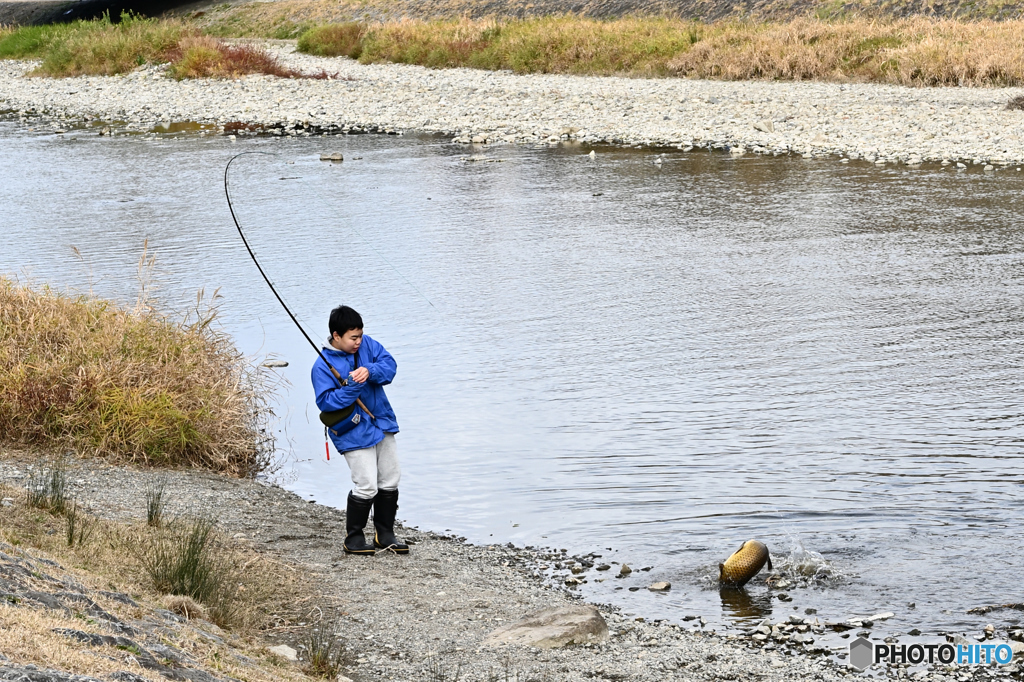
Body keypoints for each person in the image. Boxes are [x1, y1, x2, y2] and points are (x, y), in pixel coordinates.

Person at [311, 305, 408, 555]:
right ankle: (353, 539)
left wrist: (371, 370)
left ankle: (384, 534)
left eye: (360, 335)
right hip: (351, 430)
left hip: (381, 421)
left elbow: (390, 367)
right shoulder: (321, 366)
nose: (358, 341)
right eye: (353, 337)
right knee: (366, 485)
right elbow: (326, 402)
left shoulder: (369, 346)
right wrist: (353, 386)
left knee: (390, 478)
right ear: (336, 336)